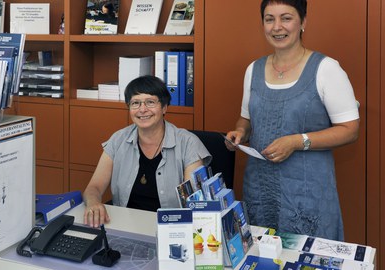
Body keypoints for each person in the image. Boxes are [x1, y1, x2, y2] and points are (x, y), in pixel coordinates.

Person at [225, 0, 359, 241]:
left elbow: (350, 130)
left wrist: (298, 141)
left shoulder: (326, 69)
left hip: (306, 194)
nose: (277, 27)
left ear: (303, 22)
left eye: (286, 18)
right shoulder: (253, 69)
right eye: (269, 19)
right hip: (260, 189)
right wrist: (239, 132)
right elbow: (246, 119)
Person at [83, 75, 211, 228]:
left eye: (150, 102)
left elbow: (194, 201)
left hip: (172, 228)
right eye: (135, 103)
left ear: (164, 107)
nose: (142, 109)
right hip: (124, 225)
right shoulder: (118, 139)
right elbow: (94, 187)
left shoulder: (188, 143)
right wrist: (93, 203)